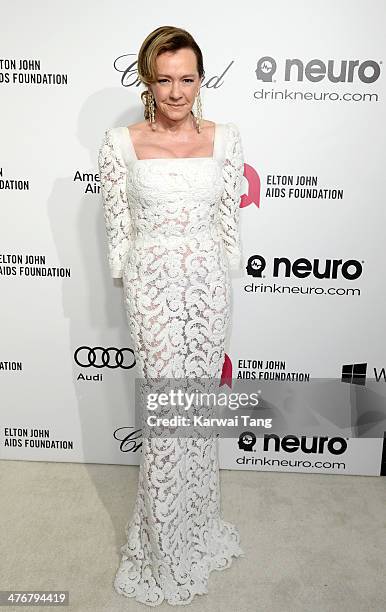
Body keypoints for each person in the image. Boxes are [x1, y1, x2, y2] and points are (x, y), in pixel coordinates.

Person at [98, 25, 245, 607]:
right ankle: (161, 549)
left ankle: (198, 527)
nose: (177, 92)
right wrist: (134, 282)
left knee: (196, 413)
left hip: (208, 288)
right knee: (165, 417)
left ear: (200, 80)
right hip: (152, 289)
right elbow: (118, 230)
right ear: (147, 80)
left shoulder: (227, 138)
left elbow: (228, 221)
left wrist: (220, 273)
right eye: (165, 80)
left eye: (187, 79)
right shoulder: (120, 144)